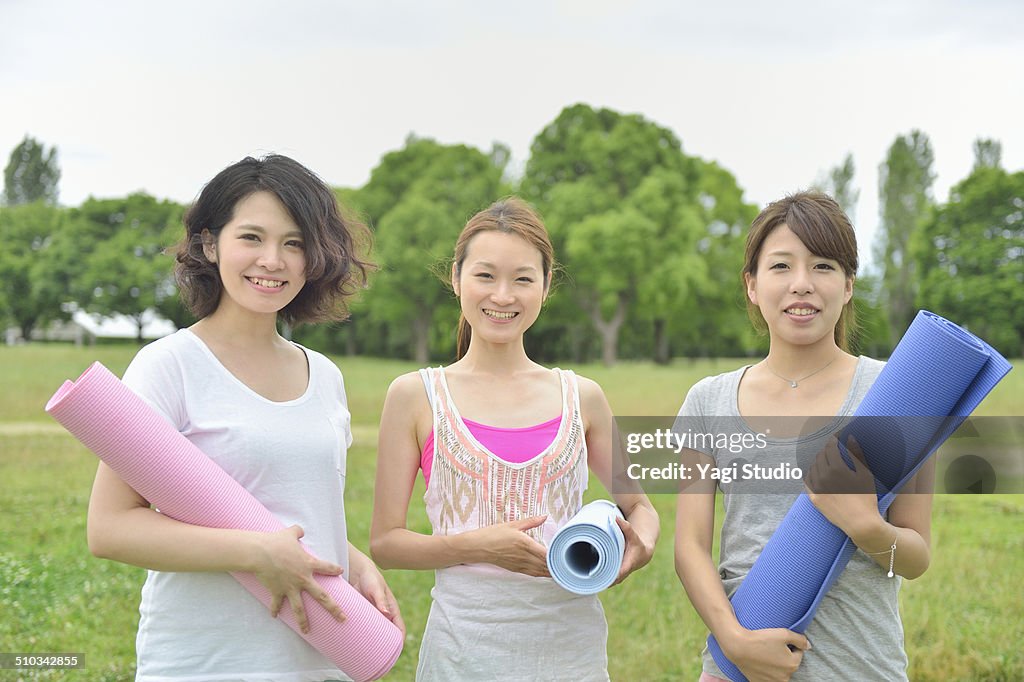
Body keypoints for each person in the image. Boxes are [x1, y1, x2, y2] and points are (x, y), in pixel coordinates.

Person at [87, 154, 404, 681]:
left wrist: (358, 564)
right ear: (211, 244)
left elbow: (293, 507)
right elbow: (110, 528)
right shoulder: (169, 366)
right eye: (252, 237)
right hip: (208, 662)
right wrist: (256, 552)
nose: (273, 260)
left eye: (294, 242)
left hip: (323, 658)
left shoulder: (324, 375)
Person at [370, 197, 660, 681]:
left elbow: (640, 507)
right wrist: (478, 546)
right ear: (456, 278)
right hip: (462, 654)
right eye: (485, 275)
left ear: (546, 287)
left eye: (523, 279)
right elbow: (386, 543)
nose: (502, 296)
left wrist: (642, 545)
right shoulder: (415, 396)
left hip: (572, 654)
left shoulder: (582, 397)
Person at [674, 191, 934, 682]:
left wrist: (867, 527)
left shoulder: (898, 395)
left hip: (862, 666)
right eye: (780, 267)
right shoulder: (708, 401)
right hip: (739, 666)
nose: (801, 285)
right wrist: (734, 643)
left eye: (823, 266)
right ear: (751, 285)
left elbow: (916, 557)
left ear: (849, 284)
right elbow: (689, 548)